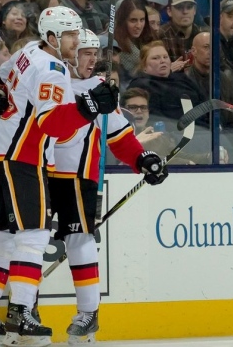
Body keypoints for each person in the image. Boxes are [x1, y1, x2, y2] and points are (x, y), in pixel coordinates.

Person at [0, 6, 120, 347]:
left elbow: (4, 77)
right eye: (69, 35)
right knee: (34, 234)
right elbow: (52, 127)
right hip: (23, 156)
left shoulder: (28, 50)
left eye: (77, 34)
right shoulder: (53, 69)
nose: (75, 40)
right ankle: (22, 312)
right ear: (52, 37)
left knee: (5, 236)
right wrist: (90, 107)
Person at [49, 29, 167, 344]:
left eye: (94, 54)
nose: (91, 60)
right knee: (29, 241)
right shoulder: (49, 80)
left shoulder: (100, 88)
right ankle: (26, 308)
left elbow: (119, 137)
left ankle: (88, 314)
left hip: (77, 174)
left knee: (80, 238)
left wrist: (143, 159)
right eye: (84, 53)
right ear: (68, 52)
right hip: (35, 171)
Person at [127, 40, 207, 130]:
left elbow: (205, 104)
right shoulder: (141, 85)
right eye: (155, 58)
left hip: (203, 130)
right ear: (144, 66)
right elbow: (156, 118)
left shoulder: (183, 79)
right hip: (174, 135)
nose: (162, 61)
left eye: (165, 57)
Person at [114, 0, 155, 83]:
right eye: (133, 20)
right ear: (123, 21)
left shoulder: (149, 38)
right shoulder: (114, 45)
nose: (139, 25)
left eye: (142, 20)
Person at [158, 0, 202, 72]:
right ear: (169, 11)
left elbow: (221, 65)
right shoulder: (160, 35)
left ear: (194, 10)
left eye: (189, 7)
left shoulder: (204, 35)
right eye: (179, 7)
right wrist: (168, 70)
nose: (185, 11)